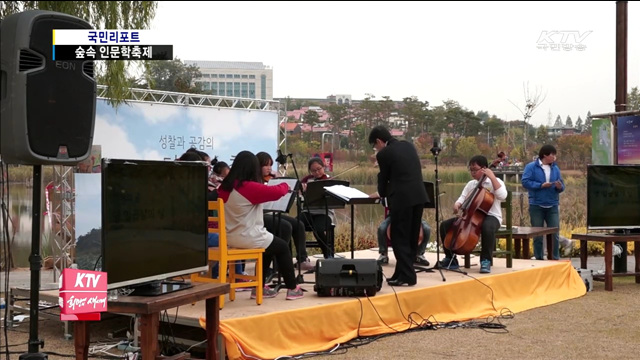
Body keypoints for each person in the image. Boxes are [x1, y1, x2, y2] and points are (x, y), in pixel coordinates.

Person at [217, 151, 304, 300]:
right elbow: (276, 192)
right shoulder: (247, 187)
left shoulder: (224, 187)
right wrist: (283, 182)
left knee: (269, 246)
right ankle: (292, 288)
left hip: (228, 237)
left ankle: (260, 287)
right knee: (282, 247)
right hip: (247, 236)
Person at [368, 125, 427, 287]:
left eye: (375, 145)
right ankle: (401, 273)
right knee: (411, 236)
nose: (376, 148)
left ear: (379, 141)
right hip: (419, 196)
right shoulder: (408, 145)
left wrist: (381, 188)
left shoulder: (384, 153)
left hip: (402, 199)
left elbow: (383, 182)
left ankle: (408, 276)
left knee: (399, 237)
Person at [439, 155, 508, 274]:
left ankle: (486, 260)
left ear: (484, 169)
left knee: (487, 227)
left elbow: (503, 196)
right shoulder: (471, 184)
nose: (472, 173)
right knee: (444, 225)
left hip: (492, 217)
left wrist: (492, 177)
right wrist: (457, 204)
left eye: (475, 170)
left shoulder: (495, 182)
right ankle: (450, 258)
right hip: (471, 217)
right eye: (471, 170)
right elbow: (462, 198)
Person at [256, 152, 314, 271]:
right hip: (259, 215)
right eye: (265, 165)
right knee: (285, 226)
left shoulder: (270, 179)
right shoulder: (255, 181)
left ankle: (302, 259)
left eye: (270, 166)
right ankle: (279, 263)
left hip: (270, 213)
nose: (269, 169)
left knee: (298, 224)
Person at [521, 144, 565, 260]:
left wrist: (559, 187)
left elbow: (562, 185)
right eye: (552, 154)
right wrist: (540, 185)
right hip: (536, 204)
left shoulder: (555, 168)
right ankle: (539, 258)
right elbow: (525, 182)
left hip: (553, 204)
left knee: (554, 233)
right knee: (537, 235)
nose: (554, 157)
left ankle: (555, 258)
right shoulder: (531, 167)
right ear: (545, 155)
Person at [300, 157, 336, 259]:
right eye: (313, 171)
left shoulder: (330, 180)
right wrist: (302, 191)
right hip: (308, 212)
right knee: (295, 224)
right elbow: (299, 195)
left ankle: (327, 254)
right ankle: (302, 257)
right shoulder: (307, 180)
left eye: (319, 169)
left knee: (318, 229)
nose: (317, 172)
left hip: (324, 213)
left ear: (323, 167)